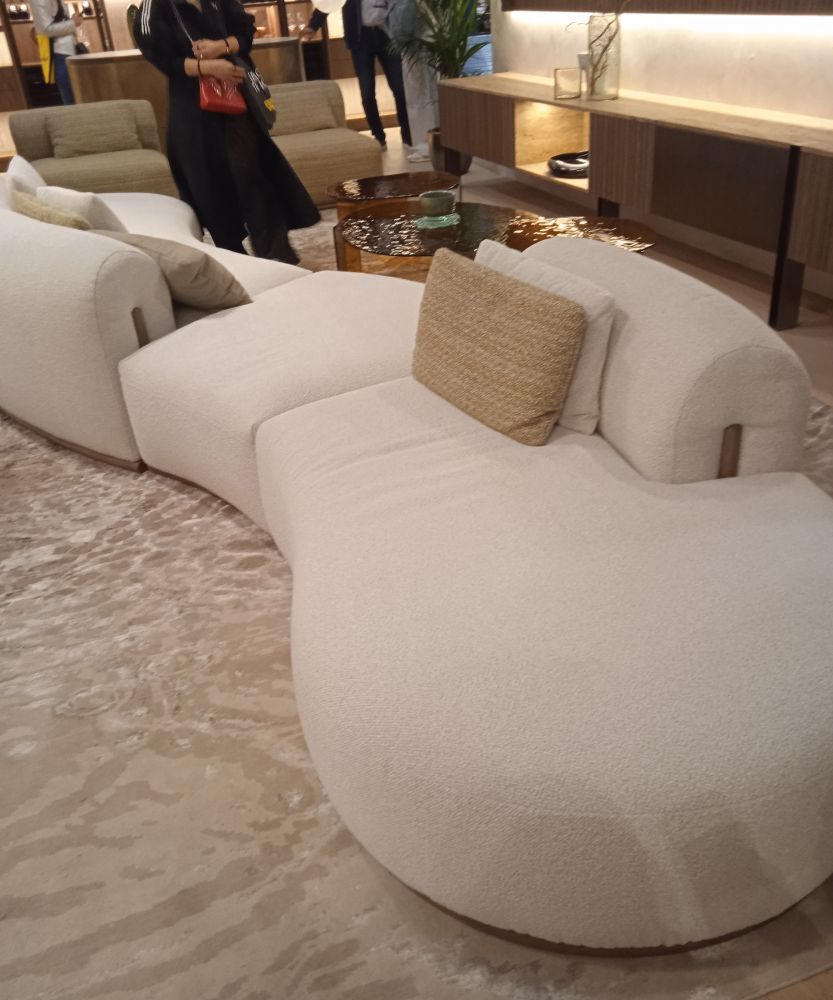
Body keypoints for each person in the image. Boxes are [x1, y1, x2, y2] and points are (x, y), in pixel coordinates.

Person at [135, 0, 319, 262]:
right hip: (193, 112)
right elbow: (162, 59)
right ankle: (236, 259)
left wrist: (220, 47)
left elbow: (245, 32)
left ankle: (278, 252)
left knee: (254, 172)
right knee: (209, 185)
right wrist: (207, 67)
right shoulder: (154, 7)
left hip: (236, 102)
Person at [302, 0, 411, 152]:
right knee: (367, 92)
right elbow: (329, 3)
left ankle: (407, 135)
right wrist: (313, 26)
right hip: (360, 40)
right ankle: (378, 137)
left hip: (387, 35)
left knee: (399, 88)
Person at [30, 0, 83, 105]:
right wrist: (73, 23)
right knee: (72, 101)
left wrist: (72, 21)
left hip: (69, 50)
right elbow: (45, 30)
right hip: (60, 53)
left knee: (79, 98)